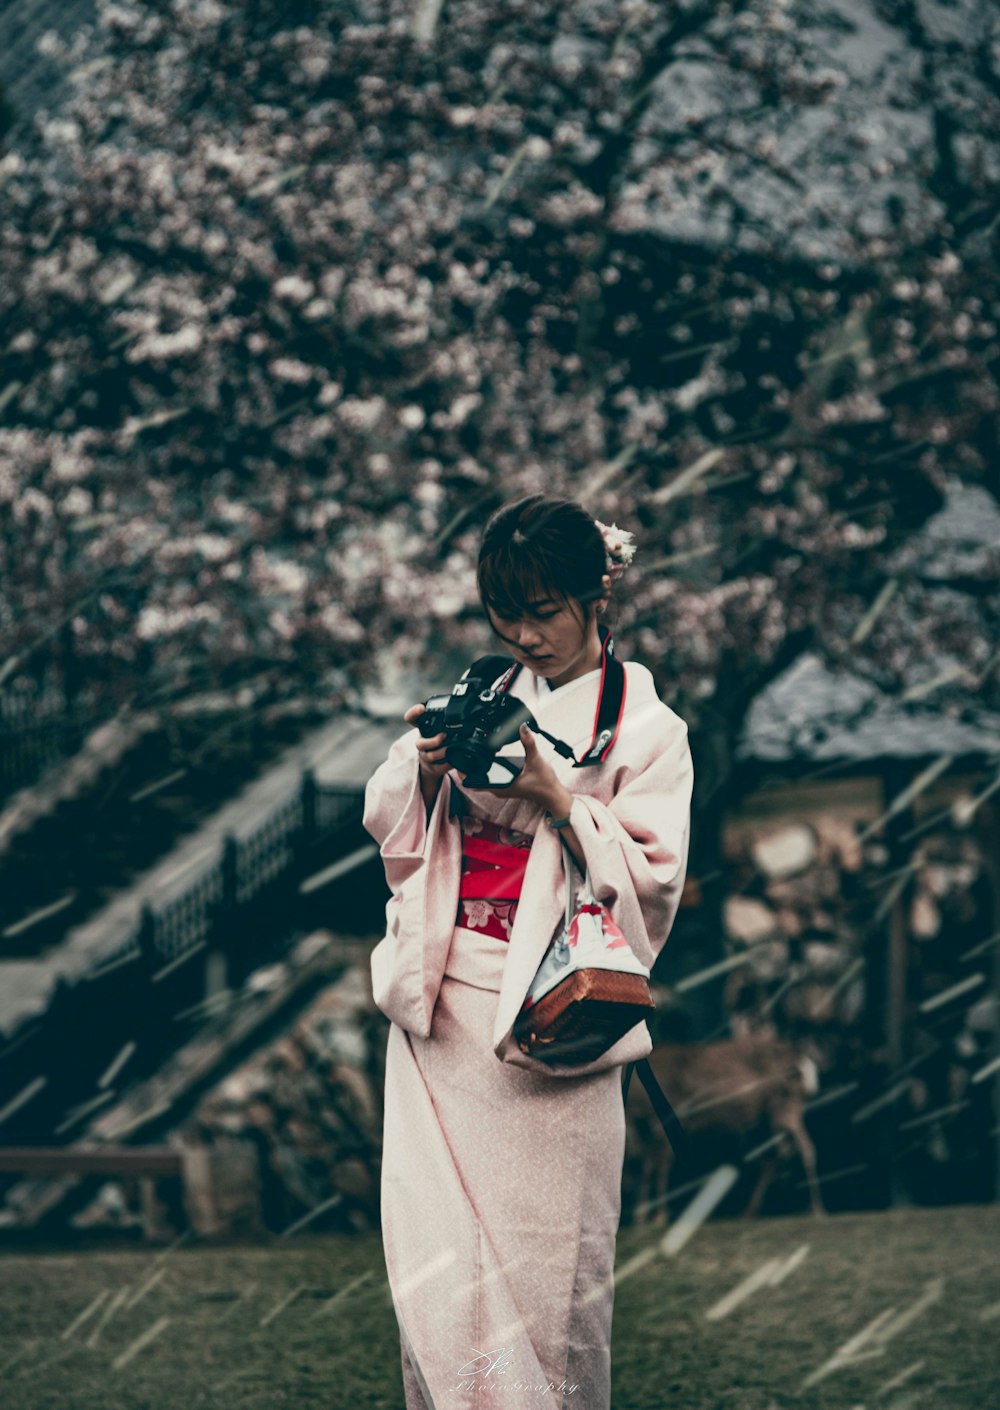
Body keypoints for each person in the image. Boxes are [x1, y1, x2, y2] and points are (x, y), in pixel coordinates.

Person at [363, 494, 694, 1410]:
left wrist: (562, 800)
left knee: (551, 1277)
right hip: (443, 1013)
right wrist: (427, 767)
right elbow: (396, 833)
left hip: (558, 1017)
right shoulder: (489, 698)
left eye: (543, 612)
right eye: (505, 616)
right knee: (440, 1264)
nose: (523, 636)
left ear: (598, 596)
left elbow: (655, 880)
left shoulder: (648, 730)